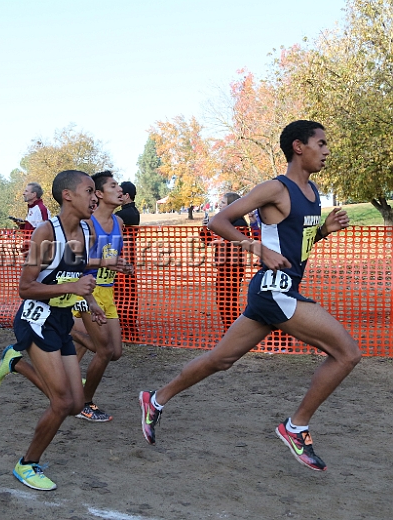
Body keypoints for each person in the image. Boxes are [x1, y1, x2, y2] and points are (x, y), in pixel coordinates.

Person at [139, 120, 361, 472]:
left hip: (279, 290)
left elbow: (291, 247)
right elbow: (217, 221)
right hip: (275, 291)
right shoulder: (275, 188)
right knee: (347, 353)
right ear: (299, 147)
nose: (327, 150)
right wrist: (255, 247)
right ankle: (295, 427)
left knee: (219, 360)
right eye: (321, 143)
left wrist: (322, 231)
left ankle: (156, 398)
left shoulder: (313, 192)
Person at [0, 170, 103, 491]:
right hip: (35, 319)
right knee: (62, 402)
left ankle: (14, 363)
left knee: (76, 403)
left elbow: (75, 277)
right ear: (67, 195)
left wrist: (90, 302)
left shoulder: (85, 231)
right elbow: (25, 288)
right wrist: (74, 286)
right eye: (89, 190)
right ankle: (26, 465)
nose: (94, 197)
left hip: (62, 320)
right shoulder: (45, 233)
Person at [70, 171, 133, 422]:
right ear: (98, 193)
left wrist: (123, 265)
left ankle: (63, 373)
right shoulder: (87, 224)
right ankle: (84, 403)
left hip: (107, 291)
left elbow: (115, 256)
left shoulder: (119, 223)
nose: (120, 191)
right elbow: (74, 261)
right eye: (113, 186)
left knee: (115, 352)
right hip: (87, 291)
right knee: (103, 350)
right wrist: (107, 261)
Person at [199, 192, 250, 330]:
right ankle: (231, 330)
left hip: (233, 267)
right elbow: (208, 241)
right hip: (223, 267)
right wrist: (205, 228)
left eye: (223, 202)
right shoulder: (223, 221)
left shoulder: (239, 223)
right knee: (223, 301)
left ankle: (234, 330)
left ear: (231, 205)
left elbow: (238, 242)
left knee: (228, 301)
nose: (219, 205)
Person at [114, 181, 140, 340]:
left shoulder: (126, 214)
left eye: (120, 194)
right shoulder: (129, 212)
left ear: (126, 196)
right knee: (126, 294)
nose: (118, 196)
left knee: (125, 294)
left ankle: (128, 328)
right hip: (125, 257)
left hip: (124, 258)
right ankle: (127, 328)